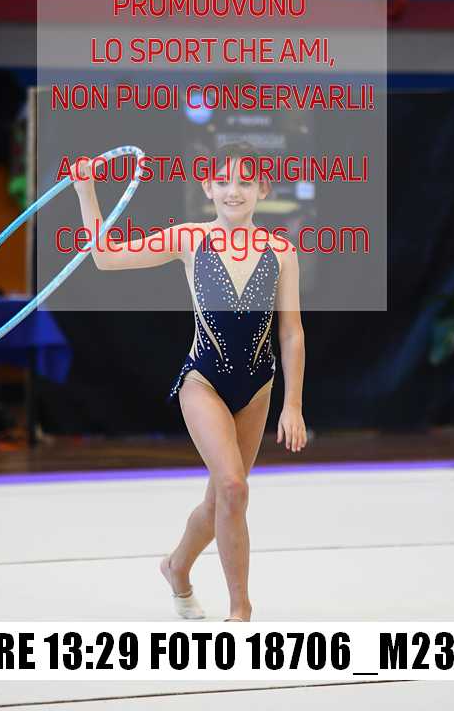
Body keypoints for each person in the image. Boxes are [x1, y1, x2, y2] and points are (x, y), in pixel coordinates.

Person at [73, 141, 307, 621]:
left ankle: (176, 566)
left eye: (245, 181)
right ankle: (241, 609)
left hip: (257, 388)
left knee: (221, 497)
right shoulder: (190, 239)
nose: (233, 190)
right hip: (204, 381)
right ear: (207, 187)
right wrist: (86, 190)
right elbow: (105, 257)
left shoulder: (281, 251)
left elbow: (291, 331)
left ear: (263, 188)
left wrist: (293, 405)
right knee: (234, 488)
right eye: (223, 181)